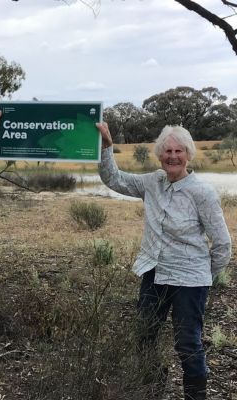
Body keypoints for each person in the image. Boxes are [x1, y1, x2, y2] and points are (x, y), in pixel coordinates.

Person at [96, 122, 231, 400]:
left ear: (188, 154)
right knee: (145, 335)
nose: (172, 156)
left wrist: (204, 276)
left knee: (187, 342)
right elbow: (114, 179)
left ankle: (196, 396)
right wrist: (107, 146)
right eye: (167, 150)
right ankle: (152, 388)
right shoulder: (152, 183)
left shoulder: (202, 193)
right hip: (154, 274)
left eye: (178, 151)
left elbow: (223, 244)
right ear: (159, 154)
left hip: (189, 281)